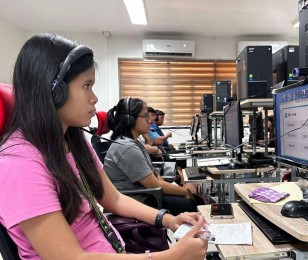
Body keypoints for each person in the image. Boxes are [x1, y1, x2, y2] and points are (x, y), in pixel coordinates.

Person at [0, 33, 207, 259]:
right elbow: (72, 257)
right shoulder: (19, 164)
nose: (94, 98)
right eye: (86, 86)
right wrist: (171, 257)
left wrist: (168, 220)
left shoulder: (72, 140)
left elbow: (114, 199)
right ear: (54, 92)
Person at [104, 97, 199, 216]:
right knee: (191, 203)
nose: (150, 121)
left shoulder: (132, 143)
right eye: (145, 116)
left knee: (194, 198)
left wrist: (179, 189)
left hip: (144, 195)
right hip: (137, 202)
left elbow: (155, 176)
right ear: (130, 120)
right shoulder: (127, 147)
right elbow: (154, 185)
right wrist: (186, 191)